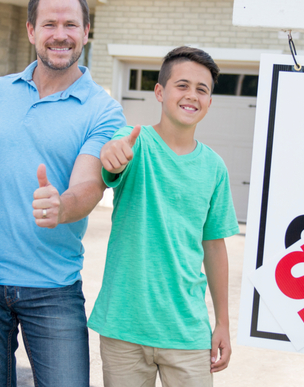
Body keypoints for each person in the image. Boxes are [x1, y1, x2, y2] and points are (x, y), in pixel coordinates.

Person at [0, 0, 125, 387]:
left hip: (53, 287)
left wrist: (62, 207)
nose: (60, 35)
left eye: (71, 25)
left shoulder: (102, 110)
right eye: (49, 24)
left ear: (86, 32)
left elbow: (89, 185)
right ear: (32, 30)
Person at [88, 46, 239, 387]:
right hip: (125, 327)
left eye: (202, 89)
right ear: (160, 91)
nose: (192, 96)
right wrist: (113, 155)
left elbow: (214, 247)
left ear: (210, 101)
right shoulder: (134, 143)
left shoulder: (214, 167)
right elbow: (112, 157)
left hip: (187, 330)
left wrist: (223, 323)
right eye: (182, 85)